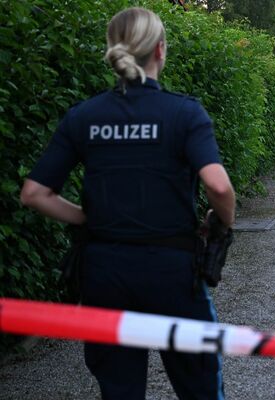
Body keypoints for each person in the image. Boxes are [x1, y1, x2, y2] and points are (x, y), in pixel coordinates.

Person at [19, 7, 233, 400]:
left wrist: (86, 219)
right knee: (199, 388)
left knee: (119, 391)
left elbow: (34, 193)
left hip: (105, 272)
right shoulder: (184, 113)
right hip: (172, 272)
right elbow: (218, 186)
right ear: (160, 50)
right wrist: (222, 222)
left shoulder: (84, 116)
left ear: (113, 50)